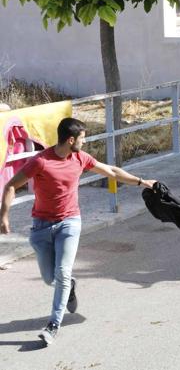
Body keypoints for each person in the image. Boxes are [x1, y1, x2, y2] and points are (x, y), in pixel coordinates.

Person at [0, 117, 156, 345]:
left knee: (62, 272)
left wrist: (142, 181)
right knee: (49, 278)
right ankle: (69, 286)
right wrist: (3, 215)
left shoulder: (80, 158)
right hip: (42, 226)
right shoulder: (41, 161)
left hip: (69, 222)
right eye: (82, 138)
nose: (85, 142)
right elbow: (11, 185)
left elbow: (111, 171)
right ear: (71, 139)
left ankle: (53, 324)